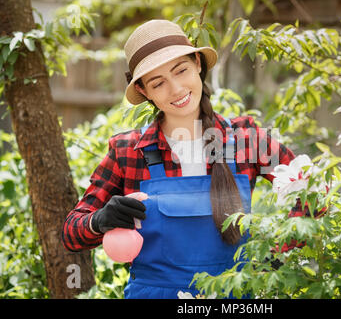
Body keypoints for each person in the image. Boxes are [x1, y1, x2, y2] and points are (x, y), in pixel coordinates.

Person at [62, 19, 323, 299]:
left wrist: (272, 256)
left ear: (198, 62)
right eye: (158, 83)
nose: (175, 89)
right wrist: (99, 220)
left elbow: (313, 194)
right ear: (143, 91)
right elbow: (71, 233)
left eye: (181, 70)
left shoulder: (247, 140)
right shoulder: (129, 151)